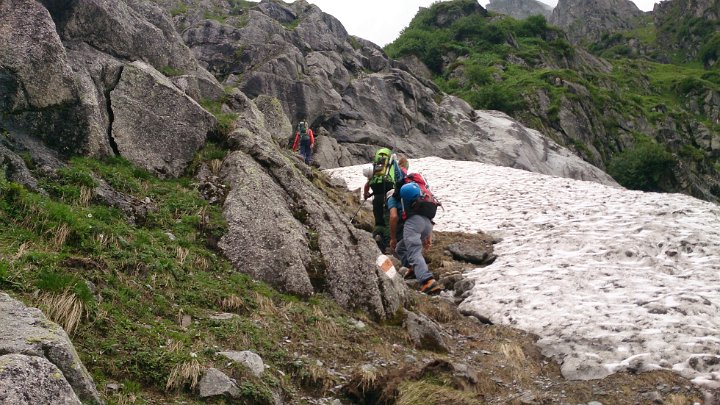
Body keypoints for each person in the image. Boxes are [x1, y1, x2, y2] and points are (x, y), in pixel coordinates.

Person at [395, 182, 442, 295]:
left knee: (414, 252)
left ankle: (427, 280)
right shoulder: (422, 199)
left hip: (413, 223)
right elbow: (429, 218)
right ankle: (413, 268)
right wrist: (429, 235)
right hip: (427, 224)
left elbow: (394, 216)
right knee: (400, 248)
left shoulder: (404, 195)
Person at [362, 148, 396, 229]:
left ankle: (379, 228)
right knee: (388, 211)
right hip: (389, 189)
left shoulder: (375, 171)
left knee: (378, 212)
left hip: (376, 192)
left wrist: (366, 194)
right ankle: (388, 229)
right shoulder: (389, 166)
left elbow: (367, 185)